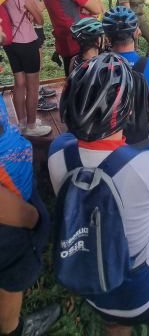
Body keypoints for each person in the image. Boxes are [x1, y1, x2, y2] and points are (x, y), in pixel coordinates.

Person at [48, 53, 149, 335]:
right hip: (147, 288)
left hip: (98, 285)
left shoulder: (57, 154)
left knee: (115, 324)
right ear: (127, 110)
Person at [0, 96, 60, 335]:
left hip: (15, 190)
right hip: (12, 216)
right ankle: (13, 329)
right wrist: (33, 219)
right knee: (13, 273)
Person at [0, 0, 51, 137]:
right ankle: (31, 126)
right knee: (32, 85)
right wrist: (32, 13)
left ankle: (21, 123)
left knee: (19, 83)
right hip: (27, 42)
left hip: (9, 43)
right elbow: (39, 19)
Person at [102, 6, 149, 148]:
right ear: (137, 33)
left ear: (107, 38)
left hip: (110, 140)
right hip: (144, 140)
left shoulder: (98, 67)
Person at [18, 0, 57, 112]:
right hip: (29, 31)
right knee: (32, 67)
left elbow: (39, 6)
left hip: (37, 29)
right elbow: (38, 9)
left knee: (38, 64)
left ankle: (38, 89)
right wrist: (44, 2)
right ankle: (37, 99)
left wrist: (40, 3)